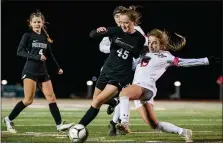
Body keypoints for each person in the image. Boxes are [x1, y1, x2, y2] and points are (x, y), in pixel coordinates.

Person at [117, 28, 217, 142]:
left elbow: (183, 62)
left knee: (124, 93)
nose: (151, 45)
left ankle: (124, 123)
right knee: (155, 125)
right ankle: (184, 132)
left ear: (161, 44)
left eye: (155, 43)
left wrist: (206, 60)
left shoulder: (166, 56)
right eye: (149, 42)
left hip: (146, 87)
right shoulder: (143, 53)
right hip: (140, 90)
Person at [3, 10, 74, 133]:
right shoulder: (27, 36)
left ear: (43, 23)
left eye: (39, 22)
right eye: (34, 22)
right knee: (28, 100)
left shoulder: (45, 38)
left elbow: (50, 55)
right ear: (30, 23)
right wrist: (36, 57)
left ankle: (59, 125)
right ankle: (8, 119)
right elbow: (19, 51)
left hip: (43, 71)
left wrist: (58, 67)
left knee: (51, 98)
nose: (37, 24)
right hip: (30, 70)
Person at [76, 7, 146, 129]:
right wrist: (98, 31)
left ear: (133, 22)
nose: (123, 25)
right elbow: (92, 35)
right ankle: (114, 102)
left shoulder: (140, 38)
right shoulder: (116, 31)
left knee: (97, 102)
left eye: (126, 23)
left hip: (120, 75)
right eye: (121, 22)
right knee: (95, 99)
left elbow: (138, 54)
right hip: (107, 70)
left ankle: (79, 127)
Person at [99, 5, 148, 136]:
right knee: (104, 97)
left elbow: (144, 47)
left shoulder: (135, 30)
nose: (119, 20)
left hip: (130, 68)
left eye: (121, 17)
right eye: (116, 17)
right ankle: (115, 114)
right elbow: (102, 46)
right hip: (113, 66)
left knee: (124, 96)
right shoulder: (115, 30)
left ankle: (115, 122)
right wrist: (116, 48)